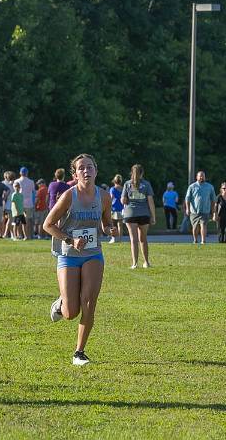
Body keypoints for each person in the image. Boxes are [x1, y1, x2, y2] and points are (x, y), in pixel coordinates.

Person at [44, 154, 115, 366]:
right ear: (75, 174)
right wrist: (70, 239)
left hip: (93, 253)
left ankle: (79, 353)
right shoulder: (68, 196)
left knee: (90, 303)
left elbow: (106, 222)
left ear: (96, 171)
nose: (86, 171)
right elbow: (48, 225)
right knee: (71, 313)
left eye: (90, 167)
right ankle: (61, 303)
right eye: (81, 168)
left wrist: (110, 228)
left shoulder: (104, 197)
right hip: (68, 255)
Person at [122, 164, 156, 268]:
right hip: (144, 214)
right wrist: (153, 216)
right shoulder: (146, 184)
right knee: (143, 239)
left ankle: (134, 264)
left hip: (130, 214)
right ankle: (146, 262)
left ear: (131, 173)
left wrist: (128, 198)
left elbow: (122, 200)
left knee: (133, 239)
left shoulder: (127, 184)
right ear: (142, 173)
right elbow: (150, 202)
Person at [184, 171, 216, 245]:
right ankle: (195, 240)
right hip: (194, 211)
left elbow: (213, 199)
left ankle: (203, 241)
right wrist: (187, 209)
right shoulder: (192, 186)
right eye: (200, 176)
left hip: (205, 210)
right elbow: (187, 199)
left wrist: (213, 210)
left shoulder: (210, 187)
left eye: (203, 176)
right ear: (197, 177)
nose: (201, 177)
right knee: (195, 226)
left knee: (203, 224)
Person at [17, 167, 36, 239]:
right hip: (29, 204)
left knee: (19, 220)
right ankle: (27, 235)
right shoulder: (31, 182)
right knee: (27, 221)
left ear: (20, 173)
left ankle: (20, 235)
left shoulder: (17, 181)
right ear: (27, 173)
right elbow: (33, 192)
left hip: (19, 203)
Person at [109, 175, 124, 243]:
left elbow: (111, 198)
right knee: (120, 225)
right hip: (121, 208)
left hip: (114, 208)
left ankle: (114, 238)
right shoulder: (123, 188)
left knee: (113, 225)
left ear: (114, 181)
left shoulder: (113, 189)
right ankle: (120, 239)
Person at [2, 171, 15, 239]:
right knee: (10, 220)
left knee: (8, 220)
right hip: (9, 205)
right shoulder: (7, 184)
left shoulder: (4, 183)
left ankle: (11, 234)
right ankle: (5, 234)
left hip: (6, 205)